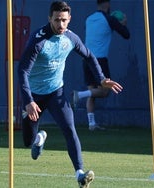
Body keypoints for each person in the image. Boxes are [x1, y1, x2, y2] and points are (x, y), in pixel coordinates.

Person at [17, 1, 123, 187]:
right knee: (28, 142)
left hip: (56, 93)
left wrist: (102, 79)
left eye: (64, 20)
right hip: (34, 97)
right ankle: (39, 138)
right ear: (49, 18)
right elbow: (22, 70)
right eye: (57, 20)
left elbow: (89, 55)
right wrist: (28, 101)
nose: (60, 25)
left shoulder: (71, 38)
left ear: (69, 19)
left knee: (70, 129)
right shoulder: (38, 40)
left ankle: (80, 174)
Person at [72, 0, 130, 131]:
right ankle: (79, 95)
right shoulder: (110, 19)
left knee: (92, 92)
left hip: (86, 59)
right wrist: (124, 23)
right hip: (99, 60)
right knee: (104, 92)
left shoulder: (89, 19)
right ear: (107, 4)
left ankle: (92, 124)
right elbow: (126, 35)